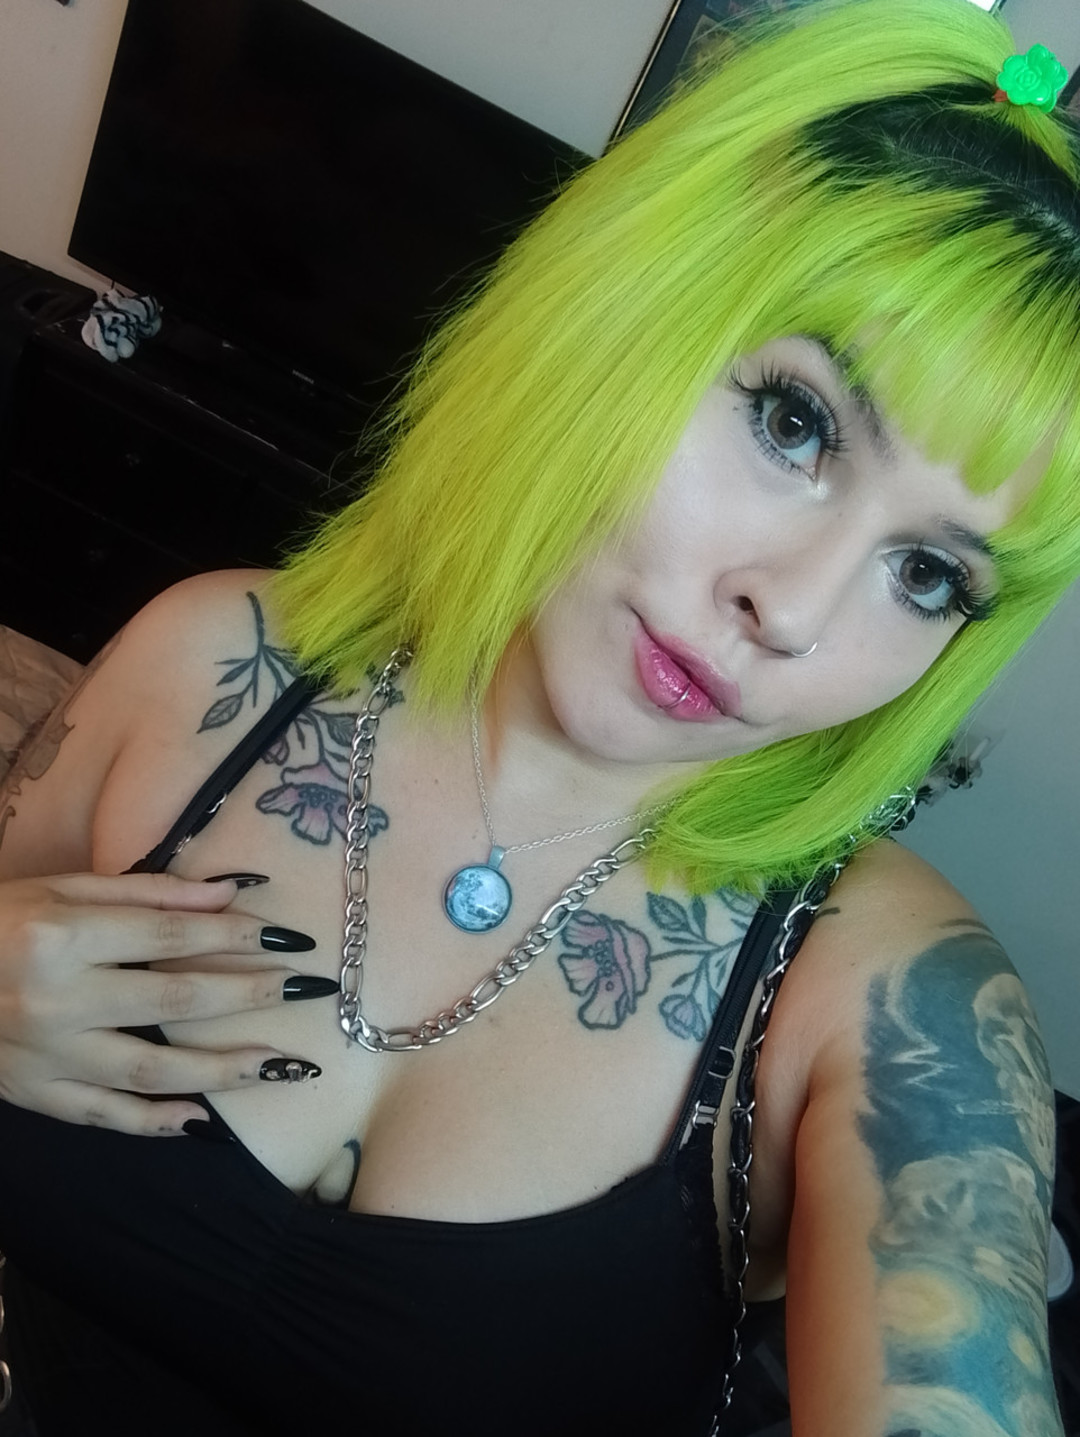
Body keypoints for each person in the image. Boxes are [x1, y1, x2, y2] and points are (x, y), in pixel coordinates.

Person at [0, 0, 1077, 1431]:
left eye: (928, 574)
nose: (793, 608)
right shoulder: (208, 661)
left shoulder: (890, 995)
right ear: (620, 311)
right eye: (795, 422)